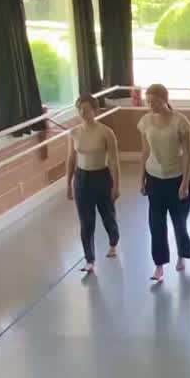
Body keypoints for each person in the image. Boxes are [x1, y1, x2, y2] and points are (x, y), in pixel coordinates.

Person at [138, 83, 190, 282]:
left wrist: (185, 183)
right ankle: (159, 265)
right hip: (154, 178)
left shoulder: (181, 122)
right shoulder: (145, 122)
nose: (150, 104)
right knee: (156, 223)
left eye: (153, 101)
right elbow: (144, 152)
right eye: (148, 101)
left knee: (179, 222)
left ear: (164, 99)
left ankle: (182, 254)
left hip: (176, 177)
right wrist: (142, 178)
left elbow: (187, 154)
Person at [67, 95, 121, 273]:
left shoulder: (106, 132)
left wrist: (116, 185)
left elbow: (113, 160)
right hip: (82, 179)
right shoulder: (74, 133)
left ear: (95, 111)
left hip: (102, 177)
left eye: (87, 110)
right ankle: (89, 259)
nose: (83, 113)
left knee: (108, 216)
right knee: (86, 222)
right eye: (80, 110)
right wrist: (68, 184)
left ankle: (113, 242)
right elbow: (70, 158)